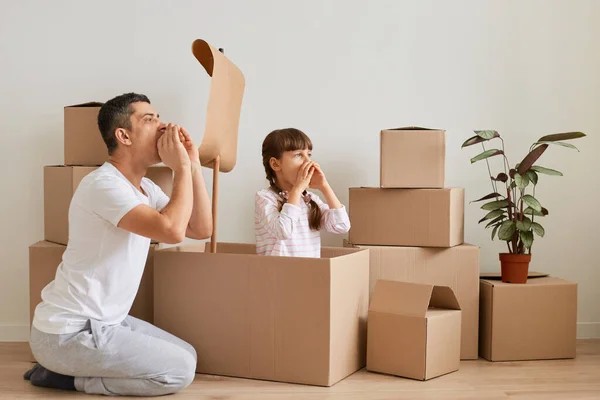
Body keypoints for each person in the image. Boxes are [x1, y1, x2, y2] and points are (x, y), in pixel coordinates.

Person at [24, 93, 212, 396]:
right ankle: (65, 377)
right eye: (149, 120)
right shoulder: (103, 185)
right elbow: (173, 231)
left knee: (187, 354)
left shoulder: (145, 188)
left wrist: (191, 164)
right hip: (68, 333)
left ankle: (67, 370)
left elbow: (200, 228)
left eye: (159, 117)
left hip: (106, 323)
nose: (163, 126)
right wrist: (178, 170)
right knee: (179, 372)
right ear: (123, 135)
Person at [255, 128, 350, 257]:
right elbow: (283, 231)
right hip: (276, 274)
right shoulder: (265, 198)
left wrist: (324, 187)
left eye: (309, 154)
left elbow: (341, 226)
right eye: (298, 155)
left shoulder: (310, 200)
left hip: (307, 273)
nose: (308, 161)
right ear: (276, 164)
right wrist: (297, 189)